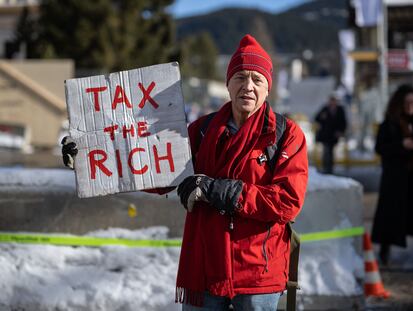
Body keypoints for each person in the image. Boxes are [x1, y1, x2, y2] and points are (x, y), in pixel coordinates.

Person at [62, 34, 308, 311]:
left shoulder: (286, 135)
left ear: (267, 88)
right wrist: (87, 155)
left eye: (256, 79)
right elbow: (153, 168)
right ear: (228, 84)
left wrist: (218, 190)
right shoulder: (201, 131)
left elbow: (287, 202)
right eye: (240, 77)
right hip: (205, 268)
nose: (248, 86)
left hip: (258, 275)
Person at [371, 84, 413, 265]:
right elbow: (380, 148)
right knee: (391, 218)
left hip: (412, 179)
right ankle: (384, 253)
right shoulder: (389, 124)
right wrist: (401, 145)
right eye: (407, 102)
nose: (411, 106)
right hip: (395, 179)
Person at [314, 94, 347, 174]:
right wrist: (322, 117)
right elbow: (317, 118)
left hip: (334, 135)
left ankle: (329, 168)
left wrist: (340, 131)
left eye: (334, 101)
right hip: (325, 134)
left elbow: (343, 122)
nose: (332, 103)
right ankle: (326, 168)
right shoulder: (325, 109)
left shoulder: (340, 109)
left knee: (330, 151)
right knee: (326, 151)